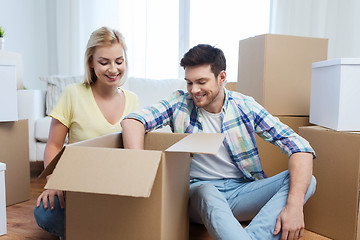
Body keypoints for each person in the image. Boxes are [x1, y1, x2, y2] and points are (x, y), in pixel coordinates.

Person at [121, 44, 316, 240]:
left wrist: (294, 206)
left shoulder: (245, 106)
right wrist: (140, 169)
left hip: (241, 191)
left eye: (201, 82)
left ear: (222, 77)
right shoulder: (179, 103)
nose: (194, 90)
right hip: (199, 191)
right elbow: (132, 121)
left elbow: (300, 147)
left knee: (305, 181)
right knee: (208, 191)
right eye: (189, 82)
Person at [34, 26, 139, 239]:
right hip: (78, 186)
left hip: (114, 189)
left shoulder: (133, 101)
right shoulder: (73, 94)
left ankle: (90, 228)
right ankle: (97, 229)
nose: (113, 69)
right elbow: (54, 145)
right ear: (91, 62)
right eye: (104, 62)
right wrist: (54, 182)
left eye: (119, 61)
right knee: (45, 214)